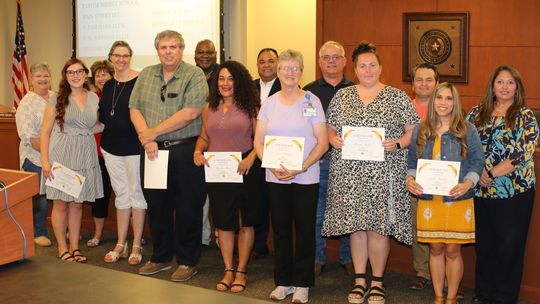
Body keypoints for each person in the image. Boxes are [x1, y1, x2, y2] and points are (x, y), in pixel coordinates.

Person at [322, 41, 419, 304]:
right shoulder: (342, 97)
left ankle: (377, 282)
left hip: (384, 173)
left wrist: (398, 143)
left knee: (378, 228)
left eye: (372, 65)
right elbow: (328, 128)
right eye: (362, 66)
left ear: (380, 68)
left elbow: (413, 131)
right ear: (354, 70)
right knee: (356, 228)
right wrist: (332, 139)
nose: (367, 70)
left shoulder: (397, 97)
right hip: (349, 173)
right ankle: (359, 280)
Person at [129, 30, 208, 281]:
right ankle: (161, 257)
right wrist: (146, 137)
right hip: (153, 151)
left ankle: (187, 261)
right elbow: (135, 108)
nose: (168, 51)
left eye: (173, 47)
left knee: (188, 208)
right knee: (158, 207)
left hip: (185, 150)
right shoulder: (146, 75)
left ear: (181, 49)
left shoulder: (194, 74)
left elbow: (191, 112)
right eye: (163, 47)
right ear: (157, 50)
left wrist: (153, 133)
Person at [254, 49, 329, 304]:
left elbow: (323, 143)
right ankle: (283, 282)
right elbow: (258, 142)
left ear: (301, 72)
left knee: (305, 230)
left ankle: (303, 284)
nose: (289, 73)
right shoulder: (269, 103)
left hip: (305, 177)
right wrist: (270, 163)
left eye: (295, 68)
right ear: (278, 71)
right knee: (282, 231)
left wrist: (301, 167)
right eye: (285, 68)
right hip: (276, 178)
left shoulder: (312, 101)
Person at [406, 82, 485, 304]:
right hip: (430, 199)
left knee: (452, 250)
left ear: (455, 102)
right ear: (433, 100)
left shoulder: (467, 129)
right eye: (439, 97)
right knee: (435, 248)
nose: (443, 103)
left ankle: (451, 298)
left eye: (449, 98)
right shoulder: (422, 128)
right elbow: (412, 160)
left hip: (458, 197)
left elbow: (478, 162)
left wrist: (468, 183)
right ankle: (438, 296)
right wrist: (410, 178)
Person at [466, 65, 539, 304]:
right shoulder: (476, 113)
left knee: (509, 247)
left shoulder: (525, 116)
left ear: (517, 87)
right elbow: (462, 143)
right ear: (492, 86)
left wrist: (491, 172)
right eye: (500, 82)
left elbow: (523, 154)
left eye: (510, 82)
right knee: (484, 245)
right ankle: (483, 293)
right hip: (481, 190)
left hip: (514, 192)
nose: (505, 87)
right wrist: (478, 174)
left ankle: (504, 297)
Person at [194, 60, 261, 293]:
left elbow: (261, 141)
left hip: (244, 169)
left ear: (239, 81)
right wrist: (197, 151)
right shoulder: (209, 107)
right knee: (223, 222)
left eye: (230, 78)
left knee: (244, 222)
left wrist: (251, 157)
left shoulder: (251, 107)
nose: (225, 83)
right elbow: (204, 137)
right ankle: (228, 269)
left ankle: (241, 271)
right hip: (218, 171)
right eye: (221, 78)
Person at [40, 58, 104, 263]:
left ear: (86, 74)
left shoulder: (94, 97)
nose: (75, 75)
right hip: (62, 153)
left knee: (77, 204)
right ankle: (62, 248)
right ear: (65, 76)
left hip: (85, 152)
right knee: (60, 203)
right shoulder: (56, 98)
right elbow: (45, 131)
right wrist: (45, 162)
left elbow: (94, 126)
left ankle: (75, 248)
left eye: (79, 71)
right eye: (70, 72)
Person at [303, 41, 354, 276]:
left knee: (348, 212)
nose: (331, 61)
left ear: (345, 61)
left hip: (350, 164)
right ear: (319, 61)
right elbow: (304, 127)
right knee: (316, 213)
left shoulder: (356, 90)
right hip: (319, 163)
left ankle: (349, 257)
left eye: (336, 57)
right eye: (326, 57)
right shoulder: (308, 92)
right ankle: (316, 257)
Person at [99, 41, 147, 265]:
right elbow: (104, 117)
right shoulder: (108, 85)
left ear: (131, 57)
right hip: (110, 148)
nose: (121, 59)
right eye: (117, 55)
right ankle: (121, 242)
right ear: (111, 57)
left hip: (135, 148)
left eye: (125, 55)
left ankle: (136, 243)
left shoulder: (141, 81)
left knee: (136, 193)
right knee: (121, 195)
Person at [15, 63, 54, 247]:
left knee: (60, 196)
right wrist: (51, 152)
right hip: (35, 157)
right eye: (38, 75)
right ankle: (38, 232)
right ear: (31, 79)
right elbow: (28, 137)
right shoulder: (26, 103)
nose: (43, 79)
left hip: (57, 157)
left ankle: (64, 229)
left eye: (46, 75)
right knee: (40, 198)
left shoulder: (56, 98)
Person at [408, 63, 439, 290]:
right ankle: (422, 271)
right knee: (417, 225)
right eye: (419, 79)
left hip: (441, 179)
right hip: (414, 177)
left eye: (429, 79)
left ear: (437, 83)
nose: (424, 84)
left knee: (440, 225)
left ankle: (444, 275)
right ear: (412, 85)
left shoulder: (446, 106)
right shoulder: (405, 108)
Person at [251, 47, 281, 260]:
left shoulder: (288, 87)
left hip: (280, 153)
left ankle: (281, 247)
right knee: (257, 201)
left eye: (271, 61)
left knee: (278, 203)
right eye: (262, 62)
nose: (266, 65)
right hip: (254, 152)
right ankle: (259, 245)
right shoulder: (248, 87)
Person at [86, 60, 114, 248]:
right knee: (99, 197)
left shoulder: (117, 96)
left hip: (119, 151)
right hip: (96, 154)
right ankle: (97, 234)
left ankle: (130, 235)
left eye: (104, 74)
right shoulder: (90, 98)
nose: (101, 77)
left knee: (125, 195)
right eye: (97, 74)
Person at [194, 38, 218, 247]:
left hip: (221, 144)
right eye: (200, 52)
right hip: (196, 143)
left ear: (215, 54)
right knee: (198, 194)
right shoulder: (188, 75)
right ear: (195, 55)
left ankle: (221, 236)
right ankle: (202, 237)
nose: (204, 55)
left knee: (220, 195)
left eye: (208, 52)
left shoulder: (224, 75)